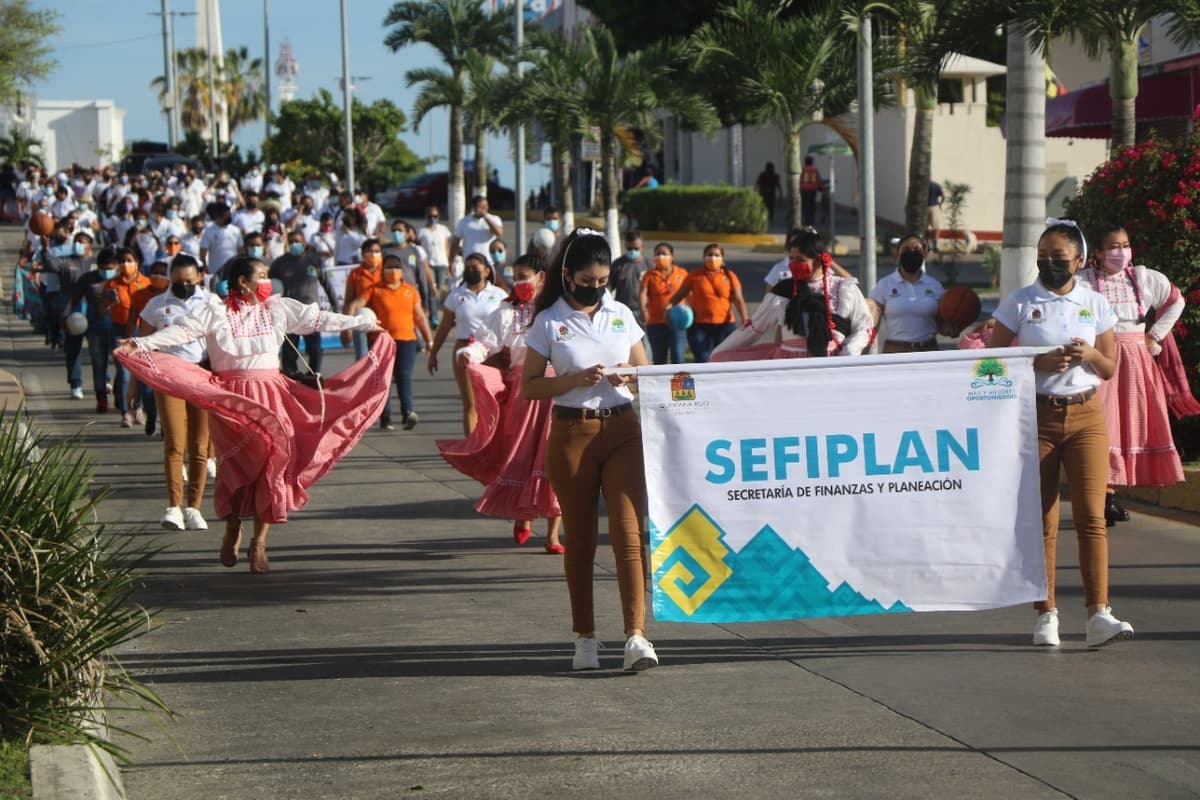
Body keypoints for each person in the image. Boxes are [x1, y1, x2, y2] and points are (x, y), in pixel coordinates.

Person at [115, 255, 395, 575]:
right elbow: (181, 333)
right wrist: (141, 343)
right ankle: (233, 527)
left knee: (272, 467)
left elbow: (318, 318)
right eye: (261, 275)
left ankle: (260, 542)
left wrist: (362, 322)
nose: (267, 282)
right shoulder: (216, 311)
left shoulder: (276, 308)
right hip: (231, 400)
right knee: (234, 469)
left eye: (267, 275)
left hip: (272, 394)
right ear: (242, 282)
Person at [988, 219, 1133, 648]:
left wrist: (1088, 354)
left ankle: (1098, 615)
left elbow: (1109, 368)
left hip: (1087, 415)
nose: (1049, 264)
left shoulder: (1095, 304)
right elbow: (992, 362)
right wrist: (1037, 363)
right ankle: (1046, 613)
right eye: (1043, 256)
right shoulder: (1019, 302)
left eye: (1059, 257)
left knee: (1091, 517)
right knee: (1043, 519)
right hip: (1037, 417)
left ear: (1080, 260)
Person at [520, 228, 656, 672]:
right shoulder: (548, 322)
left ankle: (636, 636)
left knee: (627, 535)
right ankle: (585, 639)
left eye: (601, 281)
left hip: (623, 430)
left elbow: (647, 372)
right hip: (571, 435)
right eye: (586, 279)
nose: (594, 288)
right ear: (567, 274)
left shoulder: (620, 314)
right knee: (579, 541)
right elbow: (530, 387)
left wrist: (628, 378)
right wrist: (572, 380)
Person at [439, 253, 564, 552]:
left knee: (556, 456)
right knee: (521, 455)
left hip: (558, 390)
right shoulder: (506, 309)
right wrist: (471, 354)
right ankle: (523, 514)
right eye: (516, 276)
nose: (520, 282)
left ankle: (553, 534)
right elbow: (488, 340)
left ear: (542, 277)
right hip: (524, 389)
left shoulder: (559, 308)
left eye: (525, 275)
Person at [1076, 224, 1188, 524]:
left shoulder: (1143, 278)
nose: (1121, 252)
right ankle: (1104, 497)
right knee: (1104, 426)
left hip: (1136, 359)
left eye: (1125, 245)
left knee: (1130, 427)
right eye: (1113, 246)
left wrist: (1155, 335)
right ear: (1098, 253)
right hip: (1101, 359)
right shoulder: (1084, 282)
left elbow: (1176, 301)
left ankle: (1109, 497)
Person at [137, 255, 212, 530]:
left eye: (189, 281)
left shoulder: (211, 303)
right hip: (169, 379)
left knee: (200, 446)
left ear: (199, 278)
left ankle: (194, 507)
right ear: (170, 278)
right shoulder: (156, 306)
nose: (184, 286)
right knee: (174, 443)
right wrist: (136, 386)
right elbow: (142, 346)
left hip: (202, 376)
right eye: (179, 281)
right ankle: (174, 507)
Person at [712, 230, 871, 360]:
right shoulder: (782, 292)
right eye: (792, 259)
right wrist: (717, 354)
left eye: (800, 260)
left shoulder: (844, 288)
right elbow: (753, 328)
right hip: (789, 365)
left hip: (832, 363)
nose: (794, 264)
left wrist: (849, 352)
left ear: (817, 261)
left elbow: (863, 326)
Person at [346, 253, 434, 431]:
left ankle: (408, 412)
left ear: (402, 271)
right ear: (382, 271)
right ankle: (385, 416)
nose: (393, 271)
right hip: (381, 341)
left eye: (396, 267)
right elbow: (355, 305)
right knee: (383, 379)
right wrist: (348, 325)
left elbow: (420, 317)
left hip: (407, 340)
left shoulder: (410, 290)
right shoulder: (374, 290)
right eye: (388, 267)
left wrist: (429, 340)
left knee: (404, 376)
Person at [428, 253, 509, 435]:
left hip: (492, 351)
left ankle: (492, 442)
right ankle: (472, 446)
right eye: (468, 268)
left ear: (487, 271)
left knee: (494, 400)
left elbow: (509, 323)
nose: (470, 271)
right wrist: (433, 353)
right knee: (470, 402)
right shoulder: (456, 295)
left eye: (475, 268)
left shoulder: (499, 295)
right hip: (464, 351)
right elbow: (445, 326)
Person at [667, 243, 749, 362]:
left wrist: (744, 318)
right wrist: (668, 308)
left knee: (723, 360)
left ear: (722, 259)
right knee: (703, 359)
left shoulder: (730, 276)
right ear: (704, 258)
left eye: (716, 255)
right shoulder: (694, 276)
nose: (713, 258)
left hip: (724, 325)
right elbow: (680, 295)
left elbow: (738, 298)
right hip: (699, 325)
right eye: (709, 255)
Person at [868, 233, 946, 353]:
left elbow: (943, 324)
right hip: (895, 351)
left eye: (916, 249)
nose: (911, 252)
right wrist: (865, 347)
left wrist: (953, 326)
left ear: (924, 255)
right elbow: (872, 319)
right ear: (897, 255)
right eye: (906, 249)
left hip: (928, 351)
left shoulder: (935, 286)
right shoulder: (885, 284)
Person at [271, 229, 334, 375]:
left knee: (314, 348)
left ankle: (313, 375)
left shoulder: (314, 260)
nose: (295, 244)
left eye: (298, 241)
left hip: (311, 312)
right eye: (291, 241)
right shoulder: (279, 263)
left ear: (304, 243)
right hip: (289, 314)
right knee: (290, 349)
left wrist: (335, 304)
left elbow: (326, 283)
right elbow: (270, 286)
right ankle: (291, 376)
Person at [638, 242, 688, 365]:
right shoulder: (649, 275)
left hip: (678, 322)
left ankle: (679, 384)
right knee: (659, 359)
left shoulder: (682, 273)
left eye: (664, 254)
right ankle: (661, 384)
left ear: (672, 257)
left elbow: (690, 293)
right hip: (655, 322)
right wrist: (643, 310)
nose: (661, 256)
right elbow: (642, 293)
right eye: (657, 254)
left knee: (678, 357)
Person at [342, 239, 385, 360]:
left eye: (377, 251)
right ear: (362, 254)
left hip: (382, 319)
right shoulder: (356, 274)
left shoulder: (386, 271)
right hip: (361, 317)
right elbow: (348, 301)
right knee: (362, 357)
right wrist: (346, 329)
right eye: (369, 251)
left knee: (381, 356)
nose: (373, 254)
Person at [417, 205, 452, 322]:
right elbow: (419, 248)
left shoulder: (443, 230)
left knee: (439, 290)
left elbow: (447, 247)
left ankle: (435, 311)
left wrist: (449, 262)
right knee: (432, 289)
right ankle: (434, 317)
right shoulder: (422, 231)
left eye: (435, 216)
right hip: (429, 264)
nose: (433, 218)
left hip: (442, 264)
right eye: (430, 216)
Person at [610, 230, 649, 326]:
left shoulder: (649, 265)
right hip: (622, 310)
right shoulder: (618, 264)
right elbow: (609, 286)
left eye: (636, 248)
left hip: (643, 310)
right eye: (629, 248)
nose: (632, 251)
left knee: (645, 340)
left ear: (642, 247)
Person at [199, 202, 243, 281]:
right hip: (215, 271)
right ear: (218, 216)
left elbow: (240, 250)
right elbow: (202, 253)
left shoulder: (236, 230)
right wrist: (205, 268)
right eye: (226, 215)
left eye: (229, 214)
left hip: (233, 270)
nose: (229, 217)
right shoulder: (208, 231)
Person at [451, 195, 503, 261]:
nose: (484, 209)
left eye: (486, 206)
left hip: (489, 260)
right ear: (474, 207)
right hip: (470, 259)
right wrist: (451, 260)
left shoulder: (494, 219)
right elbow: (455, 242)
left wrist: (486, 218)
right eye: (481, 207)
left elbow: (499, 233)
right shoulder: (464, 221)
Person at [800, 157, 823, 228]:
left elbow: (800, 179)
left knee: (805, 205)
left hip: (804, 189)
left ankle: (806, 220)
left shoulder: (803, 170)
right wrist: (821, 188)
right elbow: (818, 180)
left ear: (805, 162)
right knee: (811, 205)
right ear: (812, 162)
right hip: (813, 190)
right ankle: (811, 221)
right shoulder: (815, 170)